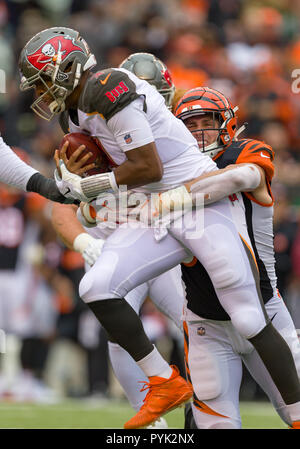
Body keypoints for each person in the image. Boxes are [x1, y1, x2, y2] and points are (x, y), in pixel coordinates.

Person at [18, 27, 300, 429]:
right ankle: (162, 380)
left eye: (44, 80)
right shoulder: (73, 113)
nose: (41, 93)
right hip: (156, 209)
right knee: (96, 286)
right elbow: (109, 181)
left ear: (68, 68)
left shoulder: (107, 85)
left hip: (202, 202)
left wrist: (90, 185)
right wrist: (77, 187)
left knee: (248, 317)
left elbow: (148, 167)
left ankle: (295, 414)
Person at [168, 87, 300, 428]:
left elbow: (244, 177)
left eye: (206, 122)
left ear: (225, 124)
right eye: (189, 124)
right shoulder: (166, 173)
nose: (198, 131)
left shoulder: (245, 153)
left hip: (266, 312)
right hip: (206, 323)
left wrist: (176, 193)